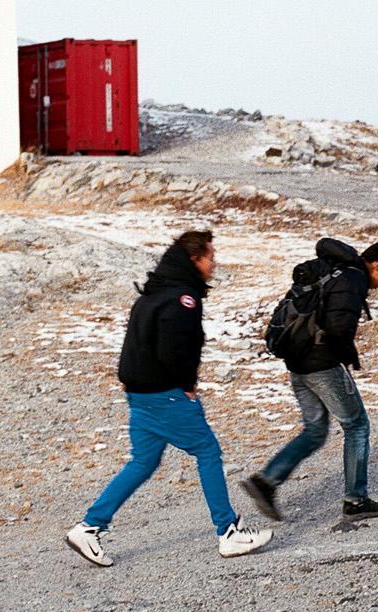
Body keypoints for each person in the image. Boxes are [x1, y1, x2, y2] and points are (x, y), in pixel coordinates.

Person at [65, 228, 273, 566]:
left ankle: (88, 527)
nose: (214, 264)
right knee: (207, 451)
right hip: (165, 395)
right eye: (210, 257)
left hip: (139, 395)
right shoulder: (182, 299)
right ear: (194, 259)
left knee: (143, 462)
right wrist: (187, 383)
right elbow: (175, 348)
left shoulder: (154, 294)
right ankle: (229, 532)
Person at [241, 236, 378, 522]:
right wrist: (346, 355)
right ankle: (356, 500)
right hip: (322, 364)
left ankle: (266, 481)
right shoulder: (352, 278)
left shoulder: (330, 269)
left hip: (298, 362)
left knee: (315, 431)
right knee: (357, 426)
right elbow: (338, 328)